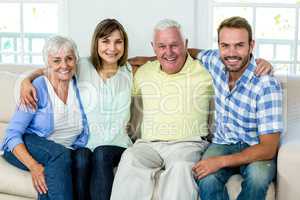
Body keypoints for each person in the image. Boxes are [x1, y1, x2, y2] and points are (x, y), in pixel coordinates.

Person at [19, 19, 133, 200]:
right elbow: (52, 68)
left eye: (118, 42)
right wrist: (26, 81)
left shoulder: (129, 70)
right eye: (105, 41)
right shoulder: (82, 66)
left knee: (102, 153)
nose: (112, 48)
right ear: (96, 43)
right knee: (80, 158)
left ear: (124, 45)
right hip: (86, 144)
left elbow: (159, 61)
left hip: (118, 146)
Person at [192, 16, 283, 200]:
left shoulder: (266, 85)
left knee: (258, 179)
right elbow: (189, 52)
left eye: (239, 45)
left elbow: (268, 148)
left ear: (251, 45)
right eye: (225, 45)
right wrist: (147, 59)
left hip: (255, 146)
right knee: (206, 178)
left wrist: (220, 161)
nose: (231, 53)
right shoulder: (216, 61)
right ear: (218, 46)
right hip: (223, 142)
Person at [0, 35, 89, 200]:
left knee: (68, 161)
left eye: (69, 59)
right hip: (24, 145)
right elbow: (11, 135)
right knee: (60, 155)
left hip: (63, 152)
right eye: (56, 61)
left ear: (76, 60)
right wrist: (33, 166)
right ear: (47, 63)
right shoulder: (37, 88)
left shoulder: (79, 84)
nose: (64, 65)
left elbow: (108, 61)